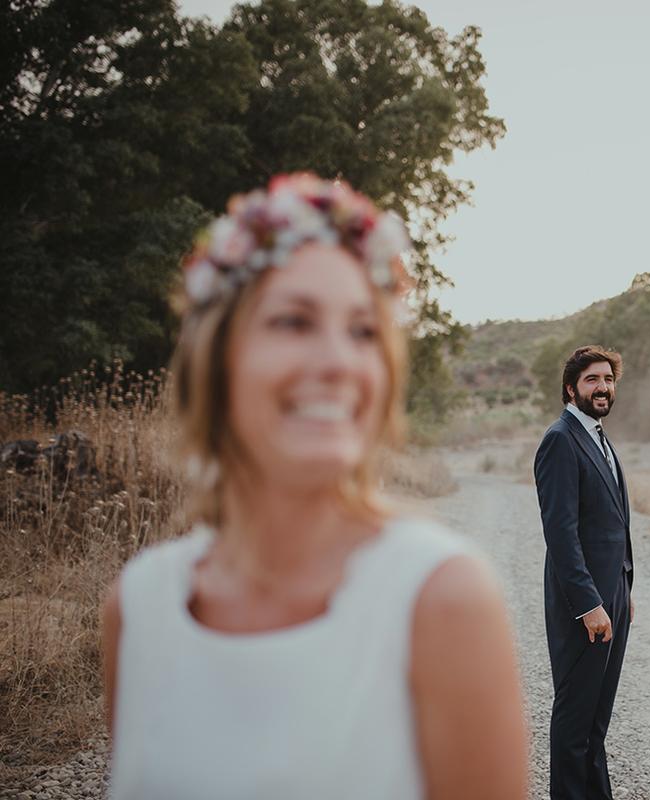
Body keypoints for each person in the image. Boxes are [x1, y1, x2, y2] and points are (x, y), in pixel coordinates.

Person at [101, 174, 527, 800]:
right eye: (295, 322)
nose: (338, 362)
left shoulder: (442, 599)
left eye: (362, 332)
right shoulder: (138, 605)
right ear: (217, 358)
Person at [533, 345, 635, 800]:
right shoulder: (560, 439)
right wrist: (590, 603)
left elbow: (614, 520)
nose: (603, 387)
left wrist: (623, 585)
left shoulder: (598, 436)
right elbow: (561, 533)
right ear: (571, 388)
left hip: (612, 595)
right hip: (584, 604)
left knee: (597, 722)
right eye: (593, 379)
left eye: (609, 379)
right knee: (575, 723)